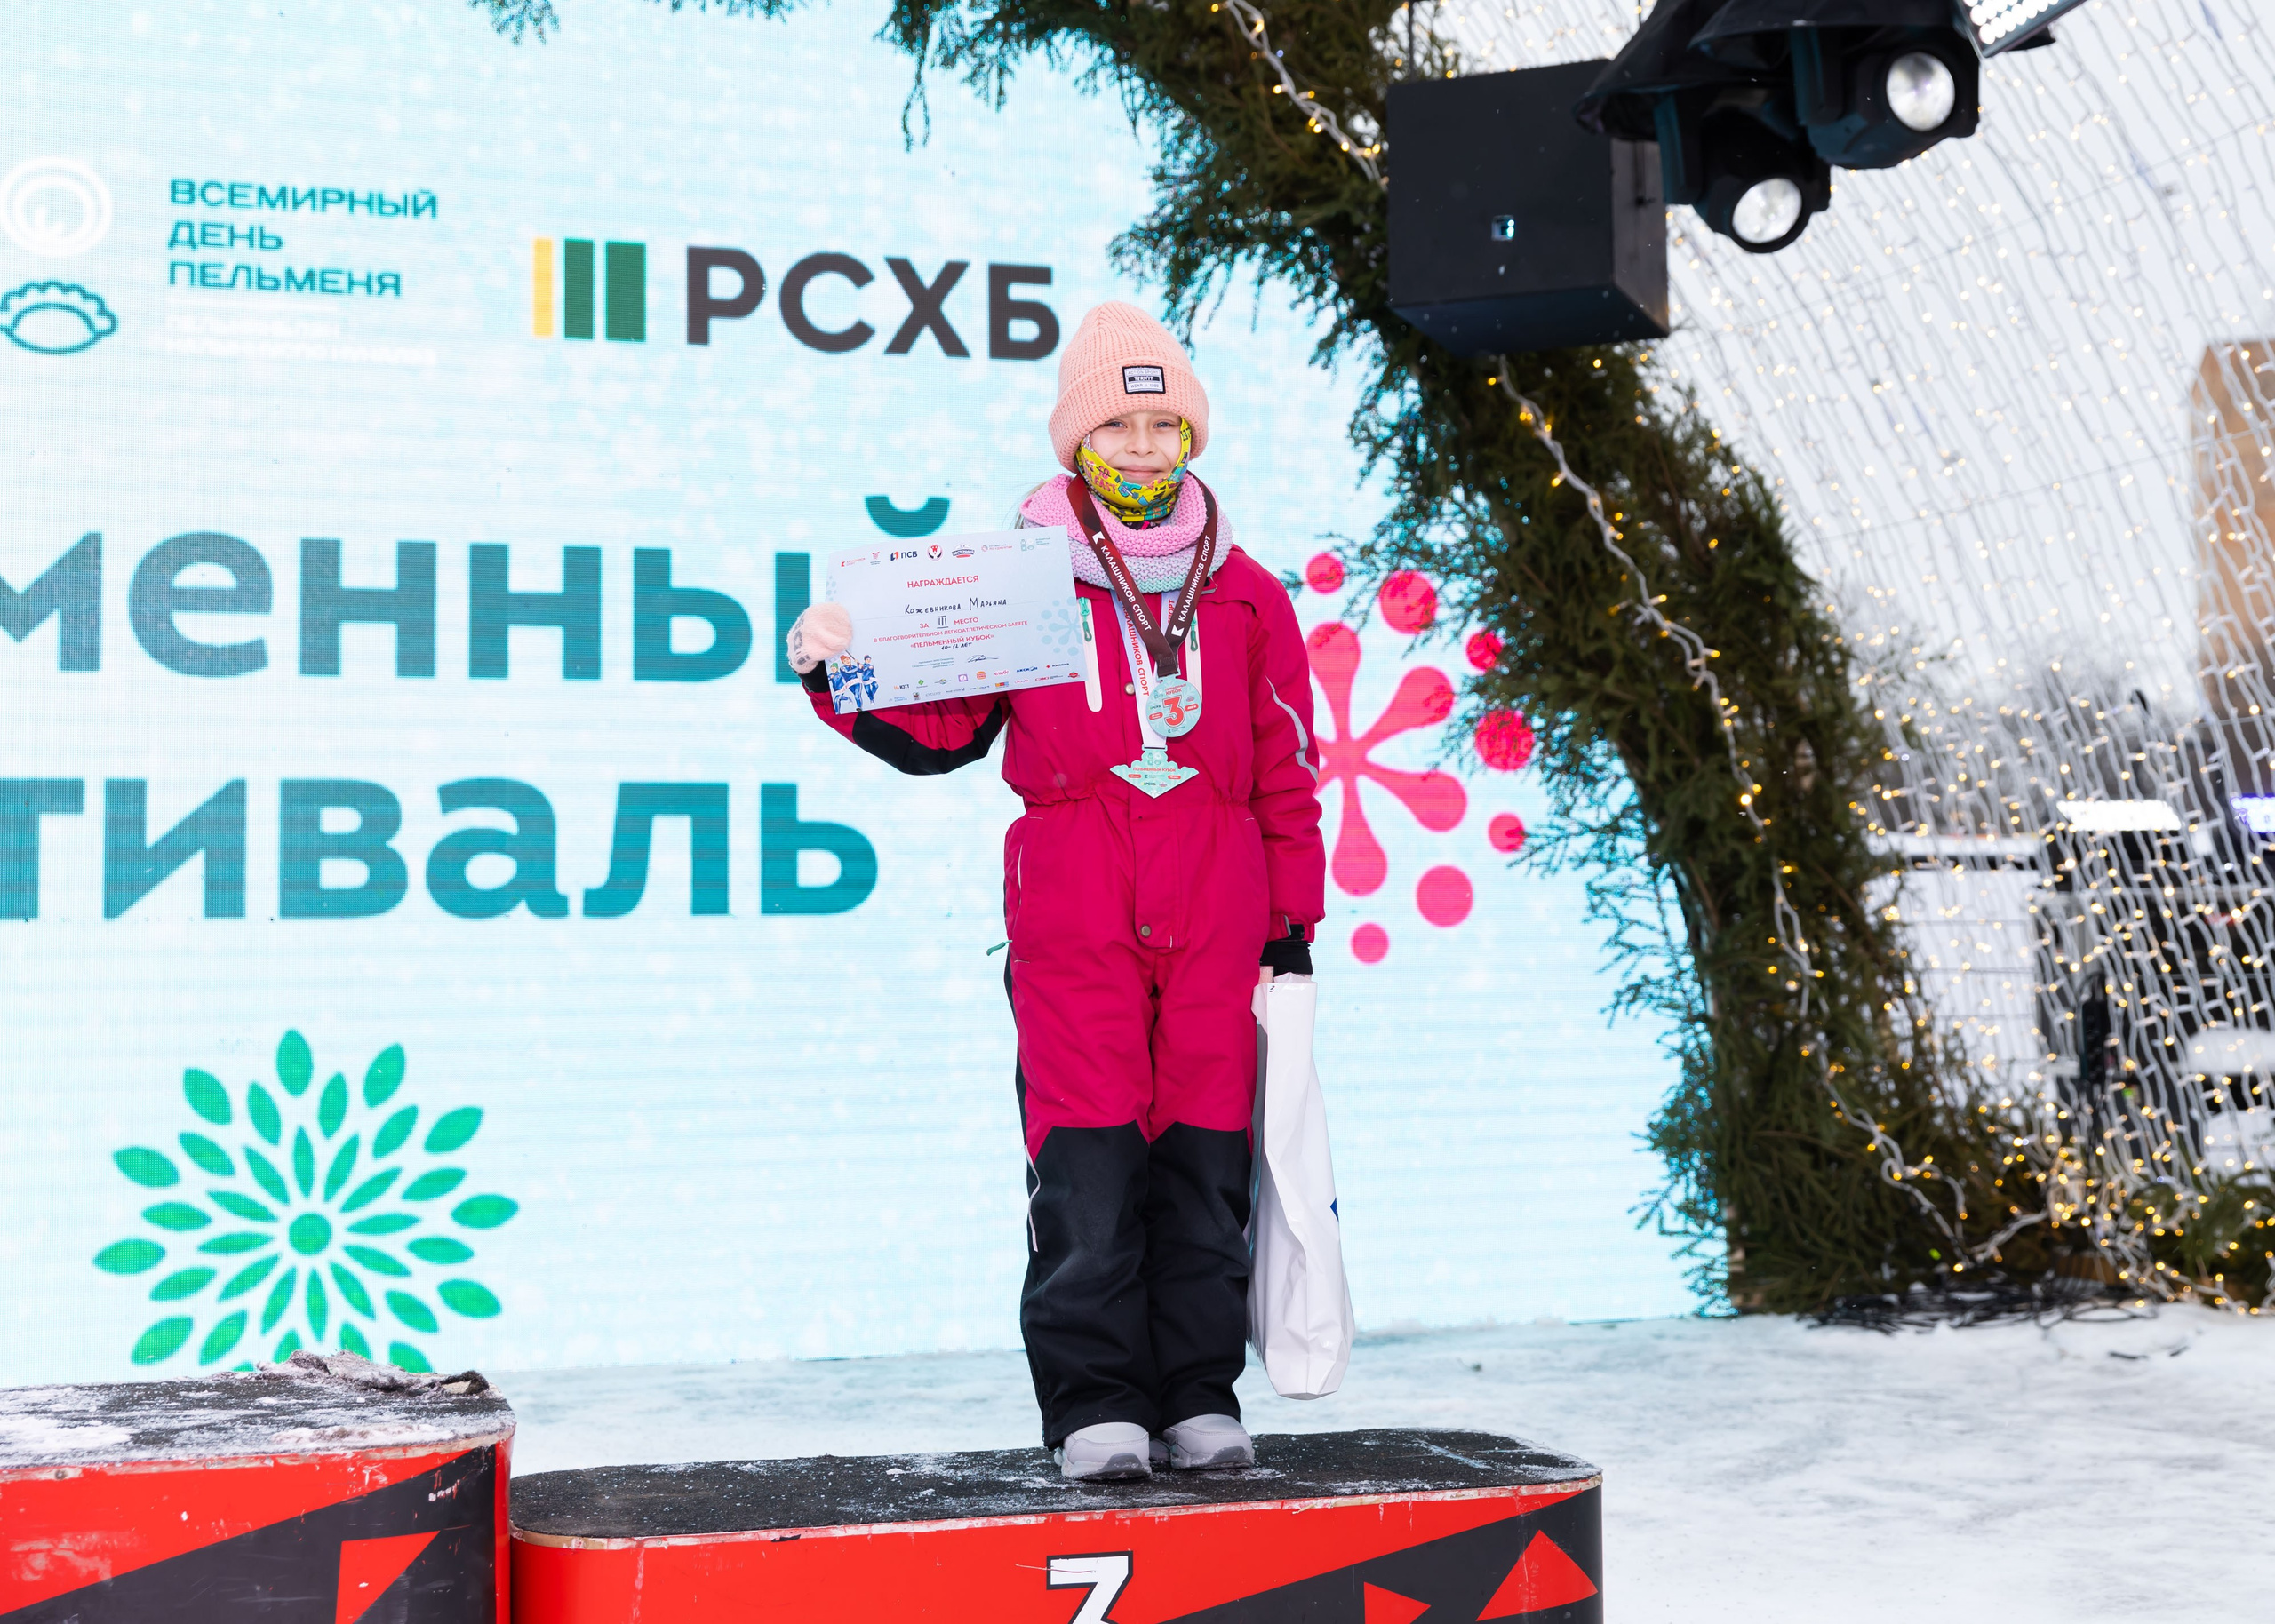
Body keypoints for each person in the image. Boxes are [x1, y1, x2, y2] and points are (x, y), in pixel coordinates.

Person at [785, 301, 1326, 1481]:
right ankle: (1095, 1405)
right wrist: (843, 667)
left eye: (1162, 422)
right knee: (1087, 1165)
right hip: (1076, 901)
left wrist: (1292, 923)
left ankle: (1195, 1394)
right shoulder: (1018, 581)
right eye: (1117, 424)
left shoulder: (1246, 594)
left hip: (1220, 903)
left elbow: (1289, 766)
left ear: (1193, 438)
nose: (1141, 446)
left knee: (1203, 1164)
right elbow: (944, 731)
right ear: (1073, 442)